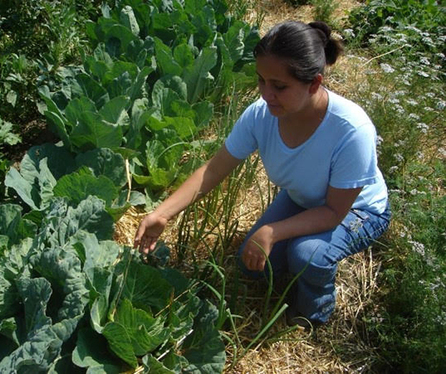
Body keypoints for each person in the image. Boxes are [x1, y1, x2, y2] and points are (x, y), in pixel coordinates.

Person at [134, 20, 391, 327]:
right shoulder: (261, 114)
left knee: (307, 254)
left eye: (279, 86)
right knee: (253, 266)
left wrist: (273, 231)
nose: (267, 94)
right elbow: (214, 169)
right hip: (305, 199)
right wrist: (162, 213)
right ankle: (292, 269)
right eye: (261, 81)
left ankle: (313, 313)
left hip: (357, 210)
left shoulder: (351, 129)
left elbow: (334, 211)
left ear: (314, 83)